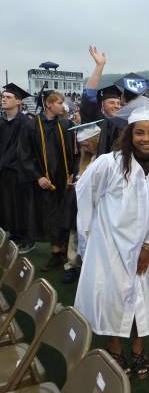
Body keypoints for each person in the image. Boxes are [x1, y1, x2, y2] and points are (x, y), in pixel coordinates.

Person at [74, 97, 149, 378]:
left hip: (144, 248)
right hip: (109, 246)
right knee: (111, 299)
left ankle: (138, 350)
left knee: (142, 299)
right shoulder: (108, 163)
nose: (146, 138)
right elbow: (84, 193)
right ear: (130, 134)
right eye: (140, 132)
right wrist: (91, 234)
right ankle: (114, 349)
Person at [18, 90, 75, 271]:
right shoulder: (31, 126)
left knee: (65, 216)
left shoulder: (66, 125)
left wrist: (72, 174)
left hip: (64, 180)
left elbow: (74, 153)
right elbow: (24, 155)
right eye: (59, 102)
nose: (62, 106)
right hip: (45, 181)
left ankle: (66, 253)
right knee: (51, 218)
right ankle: (56, 254)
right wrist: (37, 176)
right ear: (48, 104)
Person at [61, 121, 101, 284]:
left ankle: (89, 267)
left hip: (95, 205)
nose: (85, 148)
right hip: (78, 205)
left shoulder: (103, 159)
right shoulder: (82, 160)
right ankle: (72, 265)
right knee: (75, 234)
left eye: (88, 144)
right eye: (83, 145)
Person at [0, 83, 33, 253]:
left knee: (19, 206)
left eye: (8, 97)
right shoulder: (1, 122)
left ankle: (24, 239)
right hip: (3, 172)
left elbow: (25, 151)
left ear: (19, 102)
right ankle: (9, 236)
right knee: (5, 206)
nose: (3, 99)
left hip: (18, 173)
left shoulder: (26, 123)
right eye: (3, 97)